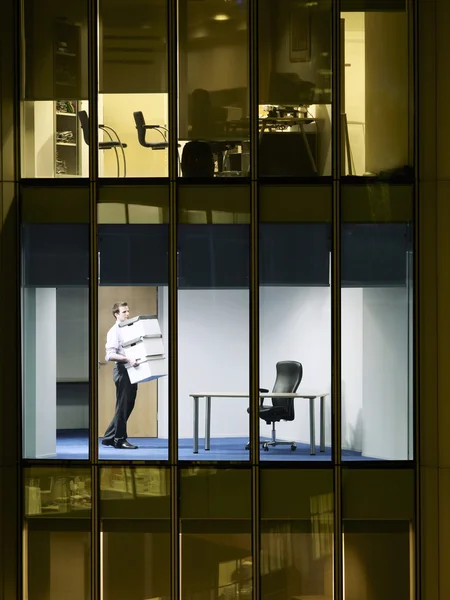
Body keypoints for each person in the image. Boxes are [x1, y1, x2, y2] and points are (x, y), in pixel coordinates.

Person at [102, 302, 139, 449]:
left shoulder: (128, 329)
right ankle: (119, 439)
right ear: (116, 314)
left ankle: (109, 437)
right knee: (123, 406)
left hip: (131, 369)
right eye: (124, 312)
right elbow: (109, 355)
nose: (127, 314)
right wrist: (127, 359)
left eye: (128, 311)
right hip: (122, 369)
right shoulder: (114, 331)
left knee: (127, 404)